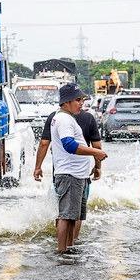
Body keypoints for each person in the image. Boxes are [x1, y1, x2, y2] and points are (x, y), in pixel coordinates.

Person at [44, 83, 106, 254]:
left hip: (77, 174)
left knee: (73, 217)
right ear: (66, 102)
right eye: (78, 100)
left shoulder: (66, 117)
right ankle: (62, 252)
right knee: (66, 215)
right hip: (69, 174)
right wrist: (95, 152)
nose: (81, 103)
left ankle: (69, 249)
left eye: (82, 100)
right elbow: (69, 145)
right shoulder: (64, 119)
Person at [33, 106, 104, 243]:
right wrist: (97, 167)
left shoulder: (54, 117)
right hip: (80, 171)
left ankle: (64, 244)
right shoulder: (87, 118)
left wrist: (38, 167)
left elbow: (44, 144)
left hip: (60, 170)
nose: (81, 103)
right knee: (73, 212)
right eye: (78, 100)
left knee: (63, 208)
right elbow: (97, 147)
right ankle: (69, 244)